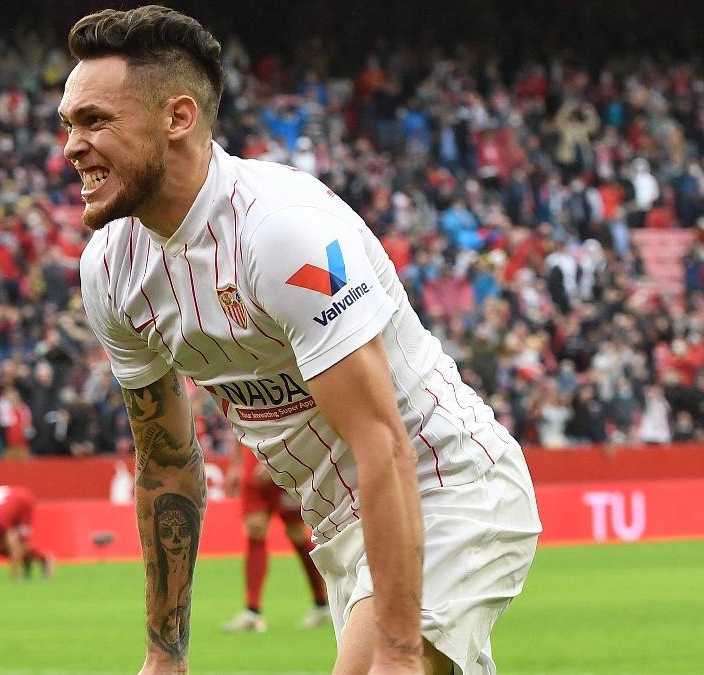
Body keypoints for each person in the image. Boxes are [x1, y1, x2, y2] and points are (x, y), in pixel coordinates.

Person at [62, 6, 540, 674]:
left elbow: (383, 442)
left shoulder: (284, 233)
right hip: (345, 529)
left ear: (178, 118)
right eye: (69, 124)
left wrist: (399, 654)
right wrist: (164, 656)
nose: (71, 146)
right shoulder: (111, 269)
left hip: (446, 485)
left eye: (94, 120)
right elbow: (167, 464)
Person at [221, 443, 331, 632]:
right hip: (251, 457)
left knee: (296, 532)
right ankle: (252, 611)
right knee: (255, 528)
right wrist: (237, 463)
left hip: (282, 458)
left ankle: (322, 604)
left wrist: (271, 462)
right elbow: (237, 420)